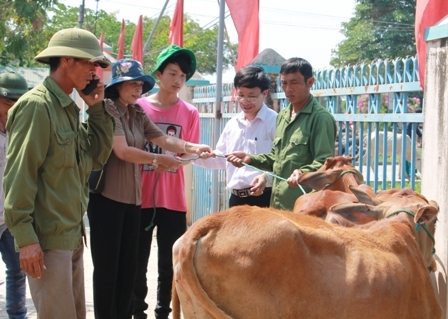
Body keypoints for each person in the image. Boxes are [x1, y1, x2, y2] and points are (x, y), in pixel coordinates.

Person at [3, 28, 115, 318]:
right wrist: (26, 240)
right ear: (66, 60)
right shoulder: (37, 107)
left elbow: (97, 159)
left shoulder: (68, 107)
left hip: (70, 235)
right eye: (90, 64)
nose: (95, 72)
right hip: (46, 242)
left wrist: (96, 109)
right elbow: (19, 176)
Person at [87, 58, 211, 319]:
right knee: (109, 270)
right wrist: (157, 160)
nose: (136, 89)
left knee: (129, 268)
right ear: (117, 86)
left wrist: (192, 147)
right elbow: (121, 151)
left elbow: (161, 137)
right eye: (130, 84)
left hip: (133, 201)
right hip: (108, 200)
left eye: (139, 84)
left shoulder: (136, 112)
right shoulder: (109, 108)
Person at [132, 45, 201, 319]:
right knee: (137, 260)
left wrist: (183, 158)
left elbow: (187, 155)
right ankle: (138, 311)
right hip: (140, 197)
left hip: (173, 200)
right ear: (159, 74)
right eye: (172, 73)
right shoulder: (138, 107)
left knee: (169, 263)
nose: (177, 80)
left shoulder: (191, 113)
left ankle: (164, 311)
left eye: (183, 76)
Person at [227, 57, 337, 211]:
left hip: (305, 207)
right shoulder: (283, 116)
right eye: (284, 83)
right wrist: (250, 159)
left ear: (310, 82)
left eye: (294, 82)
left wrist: (303, 172)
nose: (288, 88)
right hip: (278, 204)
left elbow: (325, 162)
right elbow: (277, 158)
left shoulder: (320, 118)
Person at [194, 66, 277, 208]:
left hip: (265, 198)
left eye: (251, 96)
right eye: (241, 95)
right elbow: (221, 160)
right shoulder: (233, 124)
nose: (245, 101)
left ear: (264, 94)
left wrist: (266, 179)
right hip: (236, 199)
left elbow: (281, 163)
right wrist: (196, 155)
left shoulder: (274, 122)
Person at [0, 72, 29, 319]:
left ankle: (17, 315)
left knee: (18, 270)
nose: (13, 107)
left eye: (19, 102)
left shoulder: (25, 128)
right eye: (8, 101)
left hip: (11, 214)